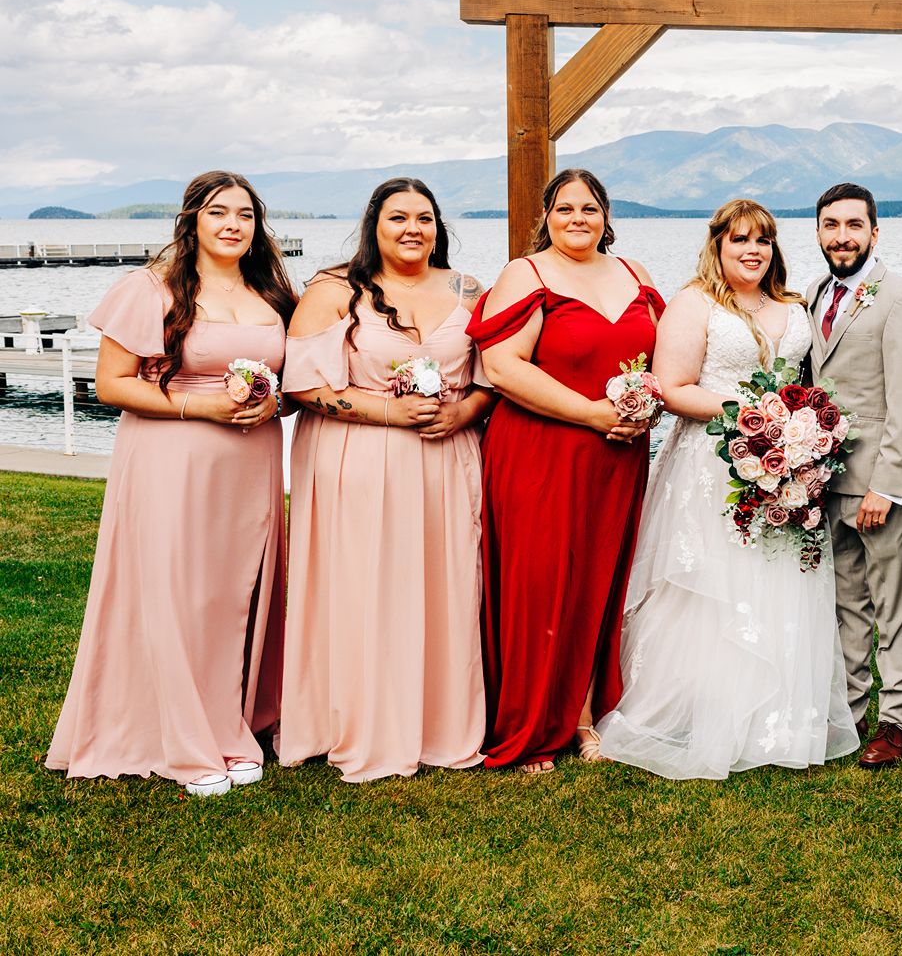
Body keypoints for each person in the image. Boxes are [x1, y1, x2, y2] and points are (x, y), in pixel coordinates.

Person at [47, 171, 296, 797]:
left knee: (230, 594)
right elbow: (111, 384)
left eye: (244, 214)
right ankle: (183, 735)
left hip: (250, 463)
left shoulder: (272, 290)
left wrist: (276, 404)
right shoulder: (151, 288)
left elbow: (294, 382)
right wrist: (200, 407)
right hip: (173, 456)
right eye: (218, 212)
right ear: (192, 221)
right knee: (177, 591)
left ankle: (229, 719)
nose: (233, 224)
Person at [596, 199, 860, 778]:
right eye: (739, 239)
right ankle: (701, 712)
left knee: (779, 582)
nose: (752, 251)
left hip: (786, 469)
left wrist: (799, 431)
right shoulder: (695, 304)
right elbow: (671, 387)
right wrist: (755, 414)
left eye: (762, 240)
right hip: (710, 467)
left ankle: (779, 716)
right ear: (717, 244)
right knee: (711, 588)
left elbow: (806, 382)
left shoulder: (793, 306)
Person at [278, 177, 494, 782]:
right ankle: (356, 721)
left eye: (424, 218)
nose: (412, 230)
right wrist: (387, 411)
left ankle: (438, 723)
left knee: (442, 585)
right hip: (358, 458)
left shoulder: (469, 290)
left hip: (445, 459)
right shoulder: (333, 291)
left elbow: (489, 380)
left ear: (438, 226)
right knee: (364, 585)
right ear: (374, 224)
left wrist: (461, 412)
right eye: (398, 217)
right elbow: (303, 385)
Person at [469, 168, 662, 773]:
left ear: (607, 216)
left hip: (617, 455)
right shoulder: (525, 275)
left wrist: (642, 407)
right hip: (542, 450)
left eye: (589, 208)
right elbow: (502, 367)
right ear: (546, 217)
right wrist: (591, 412)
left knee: (600, 584)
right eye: (564, 208)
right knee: (543, 583)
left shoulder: (635, 275)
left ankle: (582, 715)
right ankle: (533, 724)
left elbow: (662, 357)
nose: (577, 218)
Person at [805, 183, 902, 769]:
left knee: (893, 601)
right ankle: (852, 708)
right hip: (825, 475)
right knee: (846, 599)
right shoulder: (813, 295)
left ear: (874, 232)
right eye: (831, 225)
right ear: (819, 233)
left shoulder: (901, 299)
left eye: (854, 226)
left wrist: (888, 483)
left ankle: (898, 715)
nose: (842, 236)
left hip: (878, 480)